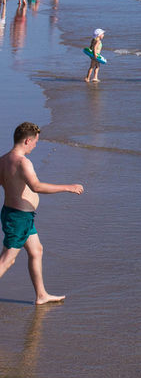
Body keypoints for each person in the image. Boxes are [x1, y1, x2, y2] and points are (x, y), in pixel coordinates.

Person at [0, 123, 83, 305]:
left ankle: (41, 295)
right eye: (35, 142)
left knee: (37, 251)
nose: (36, 146)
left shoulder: (3, 159)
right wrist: (68, 187)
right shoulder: (23, 162)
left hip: (17, 216)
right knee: (7, 260)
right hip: (19, 218)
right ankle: (41, 295)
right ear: (27, 140)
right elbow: (36, 186)